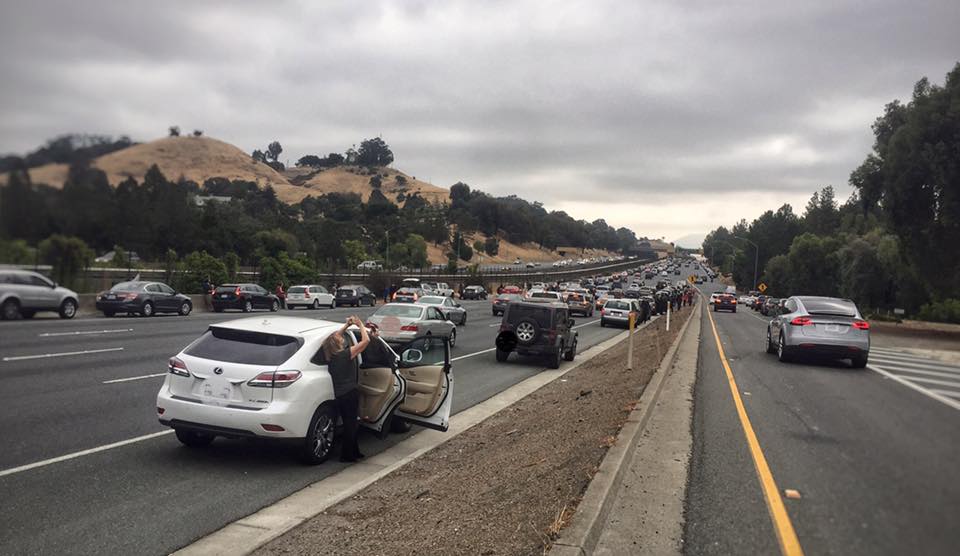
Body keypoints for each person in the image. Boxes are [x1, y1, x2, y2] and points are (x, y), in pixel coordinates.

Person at [321, 316, 370, 462]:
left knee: (349, 422)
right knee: (351, 424)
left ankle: (355, 451)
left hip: (339, 394)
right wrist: (360, 325)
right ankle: (347, 455)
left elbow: (334, 336)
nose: (342, 338)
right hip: (350, 392)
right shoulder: (344, 355)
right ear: (337, 344)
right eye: (340, 339)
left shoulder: (330, 355)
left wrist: (346, 326)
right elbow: (366, 341)